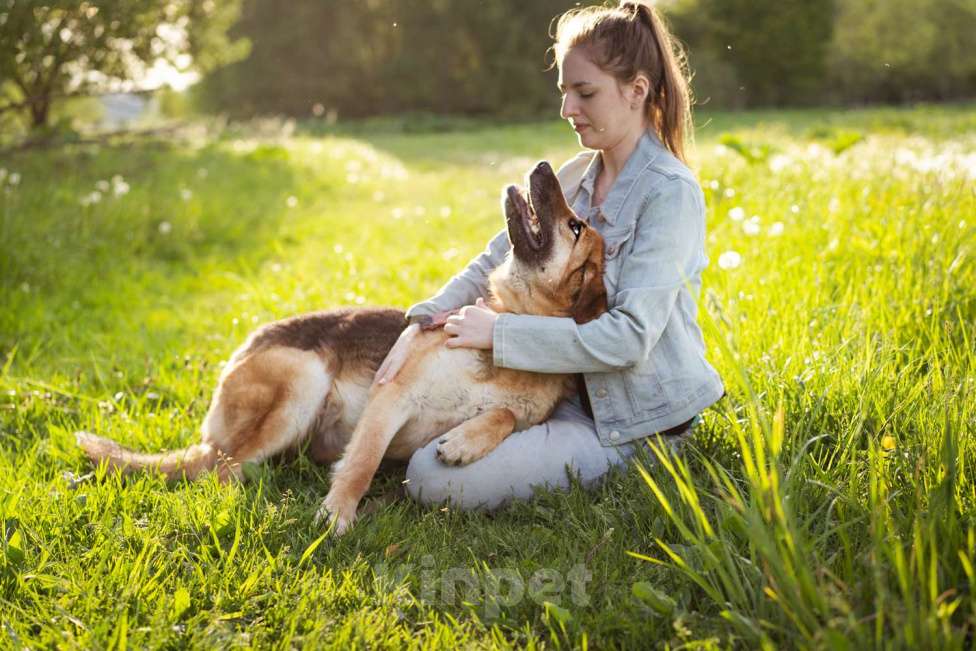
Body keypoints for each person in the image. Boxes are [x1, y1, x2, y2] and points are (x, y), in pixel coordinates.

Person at [373, 0, 724, 510]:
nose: (567, 109)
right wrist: (420, 322)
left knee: (432, 478)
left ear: (637, 90)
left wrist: (500, 334)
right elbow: (493, 260)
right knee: (414, 431)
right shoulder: (577, 175)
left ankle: (635, 458)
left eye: (585, 92)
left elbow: (630, 337)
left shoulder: (669, 193)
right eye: (564, 91)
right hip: (549, 394)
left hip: (631, 421)